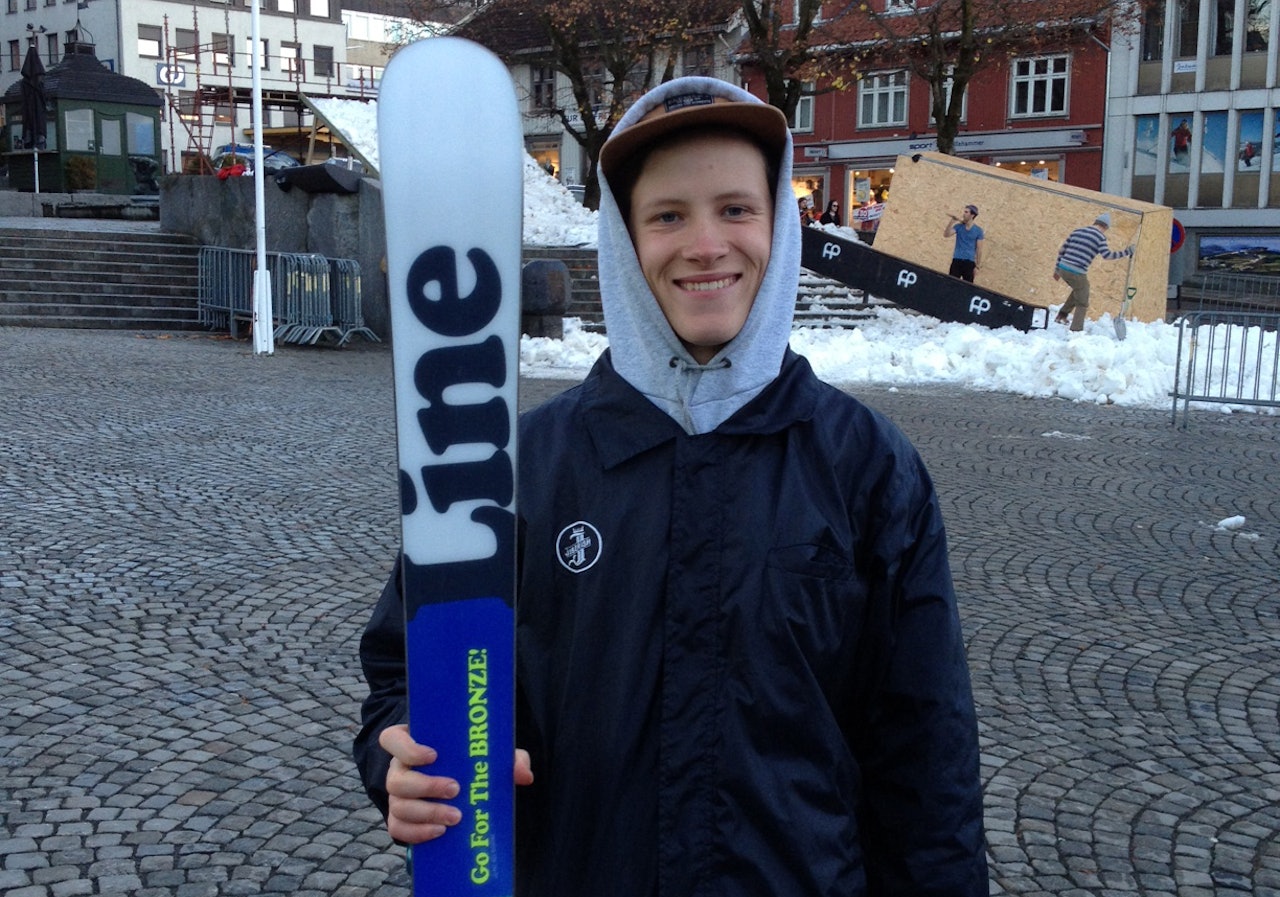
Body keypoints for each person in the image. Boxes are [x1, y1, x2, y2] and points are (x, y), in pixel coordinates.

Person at [354, 76, 988, 897]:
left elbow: (926, 750)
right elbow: (407, 667)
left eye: (735, 209)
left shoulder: (866, 465)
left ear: (778, 224)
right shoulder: (517, 465)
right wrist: (396, 753)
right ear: (624, 238)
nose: (705, 244)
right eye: (667, 216)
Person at [1052, 211, 1134, 331]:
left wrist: (1057, 270)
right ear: (1105, 227)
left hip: (1063, 268)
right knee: (1083, 302)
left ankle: (1062, 315)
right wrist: (1126, 252)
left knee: (1079, 290)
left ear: (1095, 222)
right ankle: (1076, 330)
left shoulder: (1077, 231)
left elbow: (1062, 250)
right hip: (1077, 272)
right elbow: (1107, 255)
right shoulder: (1100, 237)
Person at [943, 203, 984, 282]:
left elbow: (979, 249)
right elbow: (946, 235)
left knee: (967, 286)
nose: (964, 214)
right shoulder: (959, 227)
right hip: (957, 260)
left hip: (969, 263)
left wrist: (977, 266)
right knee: (951, 284)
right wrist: (951, 222)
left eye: (966, 212)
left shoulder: (978, 231)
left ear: (972, 215)